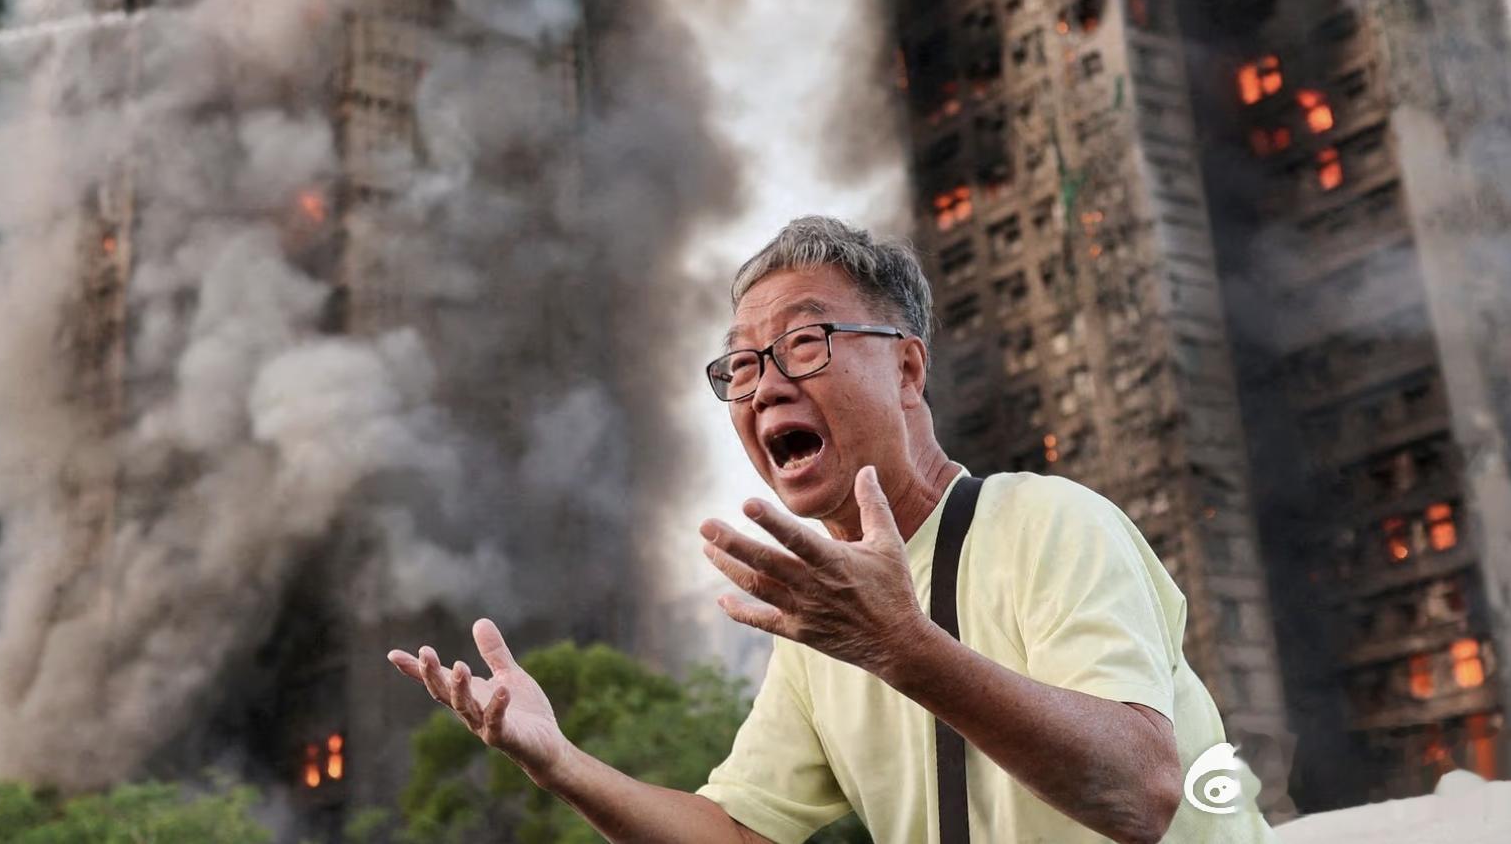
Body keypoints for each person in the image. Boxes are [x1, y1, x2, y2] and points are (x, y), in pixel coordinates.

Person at [388, 215, 1274, 842]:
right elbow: (737, 833)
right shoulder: (828, 630)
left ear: (908, 369)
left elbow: (1142, 790)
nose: (765, 384)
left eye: (804, 343)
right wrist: (558, 762)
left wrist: (900, 646)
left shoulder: (1049, 523)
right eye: (741, 365)